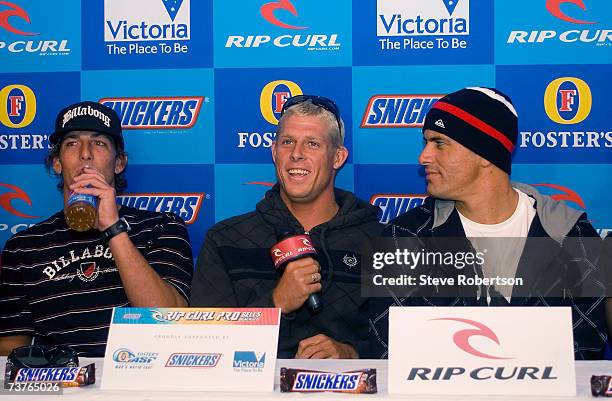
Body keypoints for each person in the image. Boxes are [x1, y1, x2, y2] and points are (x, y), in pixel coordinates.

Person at [370, 87, 607, 360]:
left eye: (439, 143)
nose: (423, 157)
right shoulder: (402, 239)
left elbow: (585, 354)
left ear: (485, 154)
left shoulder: (571, 235)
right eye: (425, 143)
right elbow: (390, 352)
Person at [190, 95, 382, 358]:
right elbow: (202, 346)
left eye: (312, 144)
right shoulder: (225, 240)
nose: (296, 154)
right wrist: (276, 304)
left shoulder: (383, 240)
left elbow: (406, 343)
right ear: (274, 152)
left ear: (338, 158)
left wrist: (350, 354)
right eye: (287, 142)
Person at [0, 101, 193, 356]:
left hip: (140, 384)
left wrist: (113, 228)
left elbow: (169, 321)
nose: (85, 154)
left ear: (119, 163)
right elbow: (10, 352)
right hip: (60, 388)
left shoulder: (161, 227)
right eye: (71, 143)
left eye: (99, 143)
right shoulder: (23, 247)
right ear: (57, 163)